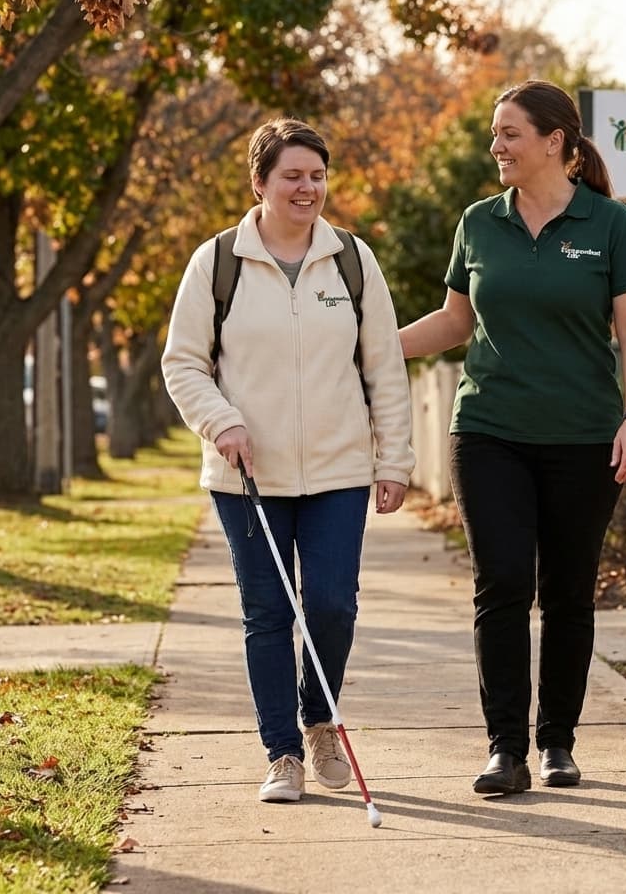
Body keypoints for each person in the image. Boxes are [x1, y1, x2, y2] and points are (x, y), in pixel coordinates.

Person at [399, 80, 626, 796]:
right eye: (494, 133)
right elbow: (454, 323)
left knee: (568, 592)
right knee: (502, 583)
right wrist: (378, 346)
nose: (496, 146)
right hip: (490, 432)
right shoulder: (479, 222)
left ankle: (558, 743)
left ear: (556, 143)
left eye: (509, 133)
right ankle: (505, 749)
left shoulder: (610, 225)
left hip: (583, 437)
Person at [162, 117, 414, 805]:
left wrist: (395, 461)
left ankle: (320, 719)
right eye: (292, 176)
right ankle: (282, 752)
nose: (308, 188)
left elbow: (385, 369)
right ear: (260, 183)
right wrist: (222, 421)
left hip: (339, 472)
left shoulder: (353, 262)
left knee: (331, 604)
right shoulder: (217, 263)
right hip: (248, 476)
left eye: (316, 175)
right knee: (268, 612)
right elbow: (183, 363)